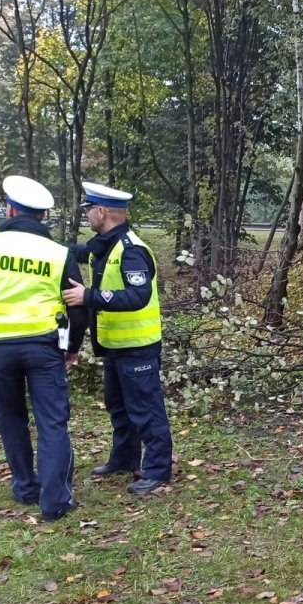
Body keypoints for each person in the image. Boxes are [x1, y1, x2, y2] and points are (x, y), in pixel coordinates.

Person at [0, 176, 88, 522]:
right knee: (52, 422)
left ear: (9, 209)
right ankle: (55, 502)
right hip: (43, 348)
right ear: (42, 217)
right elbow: (78, 306)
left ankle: (26, 487)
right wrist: (72, 347)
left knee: (11, 419)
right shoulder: (58, 254)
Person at [61, 181, 172, 496]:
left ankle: (157, 470)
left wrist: (89, 296)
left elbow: (137, 296)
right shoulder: (105, 243)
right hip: (115, 347)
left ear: (101, 211)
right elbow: (78, 252)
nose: (86, 216)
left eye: (88, 211)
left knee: (146, 410)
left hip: (137, 348)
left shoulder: (131, 249)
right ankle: (124, 460)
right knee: (119, 407)